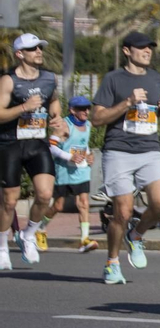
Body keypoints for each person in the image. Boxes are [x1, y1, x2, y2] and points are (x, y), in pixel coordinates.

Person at [92, 31, 160, 285]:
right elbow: (97, 119)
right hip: (118, 151)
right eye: (141, 47)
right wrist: (127, 101)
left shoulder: (156, 78)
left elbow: (145, 117)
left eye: (150, 47)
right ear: (127, 51)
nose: (147, 51)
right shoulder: (113, 79)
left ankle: (136, 236)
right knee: (123, 213)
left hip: (149, 149)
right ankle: (112, 263)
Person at [0, 33, 63, 268]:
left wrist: (57, 119)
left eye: (40, 47)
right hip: (10, 143)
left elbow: (53, 102)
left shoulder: (49, 78)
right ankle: (2, 246)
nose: (39, 52)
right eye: (33, 49)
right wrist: (24, 107)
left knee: (45, 195)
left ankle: (28, 235)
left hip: (37, 142)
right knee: (9, 200)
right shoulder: (8, 81)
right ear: (19, 54)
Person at [48, 95, 96, 252]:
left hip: (81, 170)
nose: (86, 111)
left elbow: (83, 144)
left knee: (83, 203)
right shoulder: (63, 125)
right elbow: (52, 147)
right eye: (82, 109)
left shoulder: (88, 125)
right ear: (72, 110)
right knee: (58, 205)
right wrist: (69, 157)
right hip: (64, 170)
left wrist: (88, 155)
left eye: (88, 108)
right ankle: (39, 229)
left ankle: (84, 240)